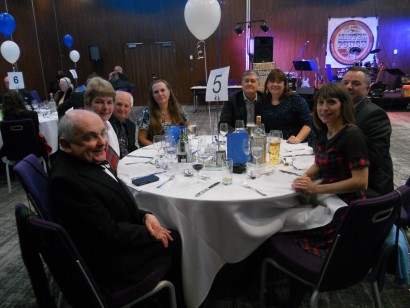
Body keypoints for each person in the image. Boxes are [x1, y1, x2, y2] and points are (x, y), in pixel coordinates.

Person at [48, 109, 183, 305]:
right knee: (175, 238)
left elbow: (112, 204)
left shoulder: (82, 160)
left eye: (102, 133)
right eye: (90, 137)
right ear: (65, 145)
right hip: (110, 266)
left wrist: (144, 216)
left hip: (113, 238)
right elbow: (109, 233)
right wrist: (153, 232)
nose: (102, 142)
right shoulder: (67, 181)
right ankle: (173, 300)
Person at [341, 66, 394, 198]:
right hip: (348, 178)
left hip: (370, 189)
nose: (349, 87)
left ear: (367, 89)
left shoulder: (374, 115)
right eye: (345, 83)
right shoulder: (338, 110)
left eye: (356, 83)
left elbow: (375, 157)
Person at [256, 68, 312, 143]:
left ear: (284, 84)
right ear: (267, 84)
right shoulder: (264, 101)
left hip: (296, 145)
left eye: (279, 82)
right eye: (272, 81)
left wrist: (297, 139)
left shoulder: (295, 100)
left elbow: (307, 124)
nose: (275, 84)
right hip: (274, 144)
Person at [138, 79, 189, 146]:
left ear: (169, 92)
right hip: (157, 152)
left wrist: (192, 131)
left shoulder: (179, 110)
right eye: (156, 92)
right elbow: (141, 138)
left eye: (162, 90)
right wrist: (157, 148)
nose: (160, 94)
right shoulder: (147, 113)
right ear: (152, 96)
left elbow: (188, 127)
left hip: (178, 150)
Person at [0, 91, 50, 160]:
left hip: (12, 153)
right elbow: (36, 133)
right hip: (33, 151)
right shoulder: (32, 115)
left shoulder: (5, 120)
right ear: (21, 101)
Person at [83, 77, 120, 170]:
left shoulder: (108, 125)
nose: (106, 107)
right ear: (87, 104)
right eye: (99, 102)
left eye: (109, 102)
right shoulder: (84, 133)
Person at [109, 90, 138, 158]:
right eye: (119, 104)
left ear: (130, 109)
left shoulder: (131, 125)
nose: (122, 109)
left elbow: (131, 147)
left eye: (126, 106)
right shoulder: (106, 123)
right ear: (112, 104)